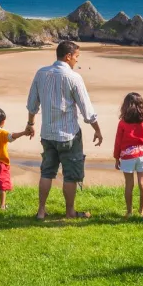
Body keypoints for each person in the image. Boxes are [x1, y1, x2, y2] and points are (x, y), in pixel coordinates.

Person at [26, 40, 103, 220]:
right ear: (68, 56)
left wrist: (30, 124)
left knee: (46, 172)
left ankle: (41, 211)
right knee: (71, 175)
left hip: (47, 133)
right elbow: (87, 110)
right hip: (69, 134)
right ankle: (70, 212)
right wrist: (97, 130)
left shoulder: (41, 73)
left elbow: (32, 104)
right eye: (76, 57)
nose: (77, 61)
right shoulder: (73, 77)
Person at [114, 92, 143, 217]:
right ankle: (141, 212)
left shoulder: (122, 122)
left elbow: (118, 142)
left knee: (129, 184)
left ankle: (129, 211)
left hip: (127, 156)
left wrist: (116, 158)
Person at [0, 108, 32, 209]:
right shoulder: (2, 133)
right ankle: (2, 205)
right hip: (1, 163)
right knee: (3, 183)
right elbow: (12, 137)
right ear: (3, 121)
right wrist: (23, 133)